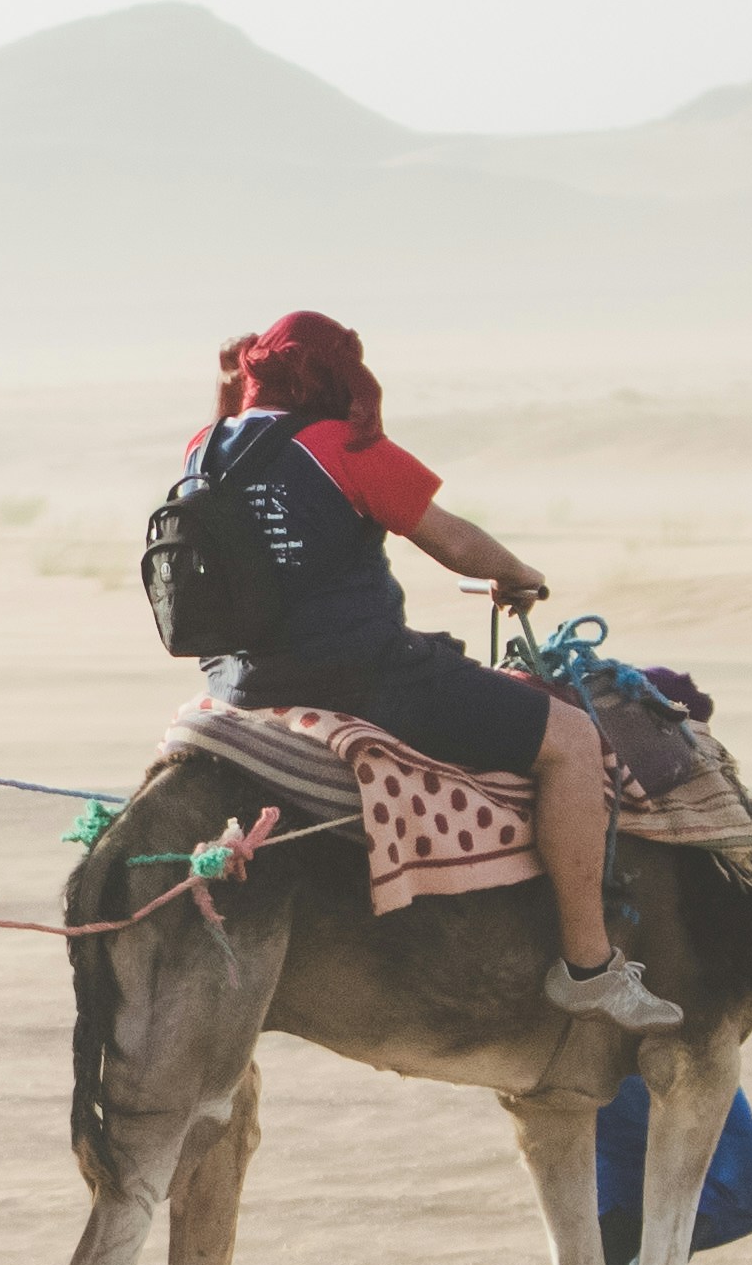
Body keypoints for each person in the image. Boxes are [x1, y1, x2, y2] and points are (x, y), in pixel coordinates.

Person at [184, 312, 679, 1028]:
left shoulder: (204, 446)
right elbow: (450, 539)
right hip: (362, 677)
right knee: (570, 741)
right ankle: (589, 966)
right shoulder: (342, 446)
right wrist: (517, 574)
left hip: (239, 681)